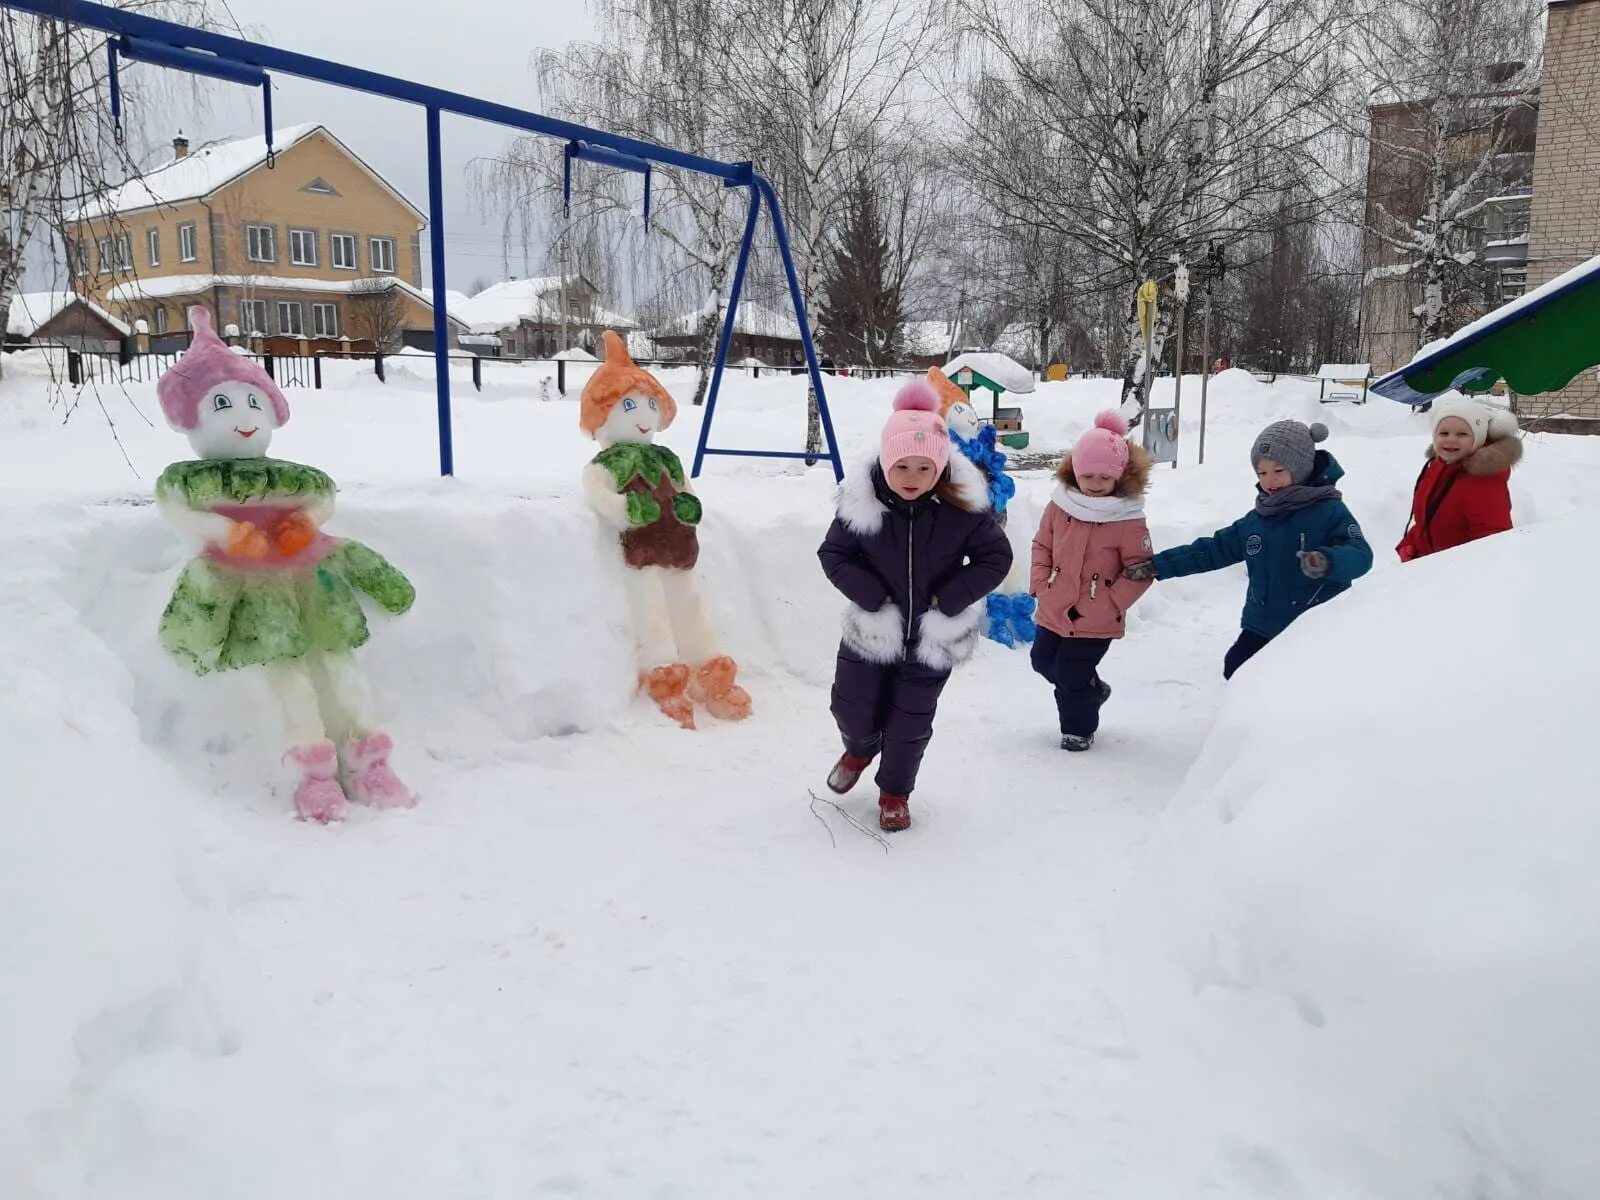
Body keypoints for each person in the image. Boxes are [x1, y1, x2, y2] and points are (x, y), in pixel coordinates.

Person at [817, 379, 1013, 831]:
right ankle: (861, 747)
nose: (911, 478)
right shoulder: (861, 507)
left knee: (910, 724)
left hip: (933, 639)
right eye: (901, 466)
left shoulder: (961, 511)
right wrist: (871, 595)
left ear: (941, 468)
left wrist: (953, 597)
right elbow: (834, 555)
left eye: (924, 468)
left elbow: (995, 557)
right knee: (850, 705)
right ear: (885, 462)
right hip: (872, 631)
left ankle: (894, 793)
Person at [1125, 419, 1372, 680]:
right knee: (1237, 668)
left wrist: (1328, 561)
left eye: (1278, 470)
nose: (1270, 480)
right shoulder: (1258, 520)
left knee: (1302, 682)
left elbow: (1361, 554)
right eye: (1262, 473)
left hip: (1315, 623)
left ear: (1301, 468)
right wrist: (1158, 565)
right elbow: (1211, 550)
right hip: (1262, 622)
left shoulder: (1329, 511)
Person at [1029, 411, 1154, 751]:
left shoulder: (1127, 518)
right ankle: (1092, 690)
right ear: (1075, 472)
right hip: (1055, 605)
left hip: (1096, 616)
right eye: (1088, 475)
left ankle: (1078, 729)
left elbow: (1140, 568)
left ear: (1119, 476)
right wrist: (1041, 582)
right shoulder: (1060, 507)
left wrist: (1112, 602)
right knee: (1042, 661)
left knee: (1070, 674)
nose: (1095, 483)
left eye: (1104, 476)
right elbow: (1042, 544)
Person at [1396, 398, 1521, 562]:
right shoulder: (1437, 467)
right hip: (1430, 568)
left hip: (1458, 576)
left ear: (1478, 438)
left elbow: (1491, 541)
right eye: (1444, 433)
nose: (1451, 439)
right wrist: (1411, 545)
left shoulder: (1483, 482)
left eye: (1462, 434)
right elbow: (1426, 520)